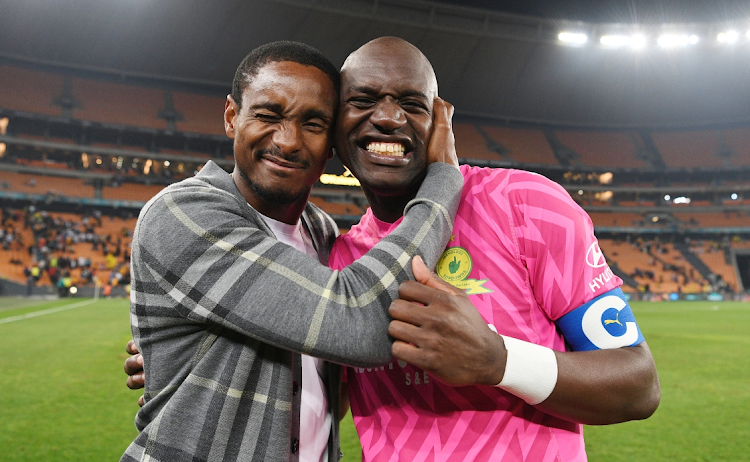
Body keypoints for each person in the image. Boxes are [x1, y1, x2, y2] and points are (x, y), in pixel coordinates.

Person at [127, 37, 660, 461]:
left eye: (411, 103)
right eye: (362, 101)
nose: (387, 118)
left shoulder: (527, 204)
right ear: (339, 133)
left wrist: (500, 360)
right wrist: (198, 357)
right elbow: (333, 377)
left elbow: (637, 385)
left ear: (439, 120)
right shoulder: (340, 256)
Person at [121, 41, 463, 462]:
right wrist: (443, 180)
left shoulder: (320, 232)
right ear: (232, 116)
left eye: (313, 124)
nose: (287, 141)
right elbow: (361, 323)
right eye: (268, 115)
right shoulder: (182, 212)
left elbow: (323, 388)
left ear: (334, 141)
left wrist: (198, 360)